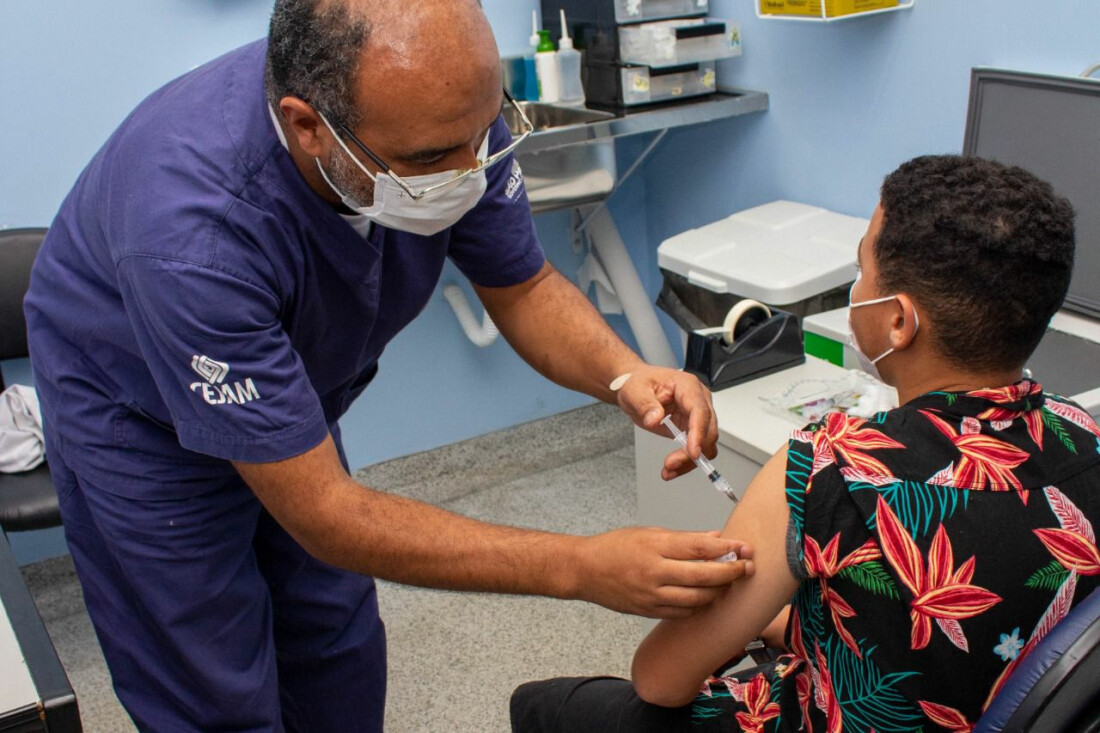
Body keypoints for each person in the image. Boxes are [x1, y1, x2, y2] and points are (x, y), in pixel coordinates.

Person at [23, 1, 753, 729]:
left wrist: (627, 374)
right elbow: (328, 514)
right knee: (209, 678)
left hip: (286, 386)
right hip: (134, 412)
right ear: (310, 127)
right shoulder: (194, 232)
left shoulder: (442, 108)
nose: (471, 173)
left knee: (333, 636)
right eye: (435, 159)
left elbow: (522, 284)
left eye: (482, 135)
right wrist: (578, 566)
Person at [511, 154, 1100, 732]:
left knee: (546, 704)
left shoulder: (829, 468)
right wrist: (793, 622)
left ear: (899, 321)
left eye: (862, 268)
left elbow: (660, 679)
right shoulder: (1088, 436)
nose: (855, 286)